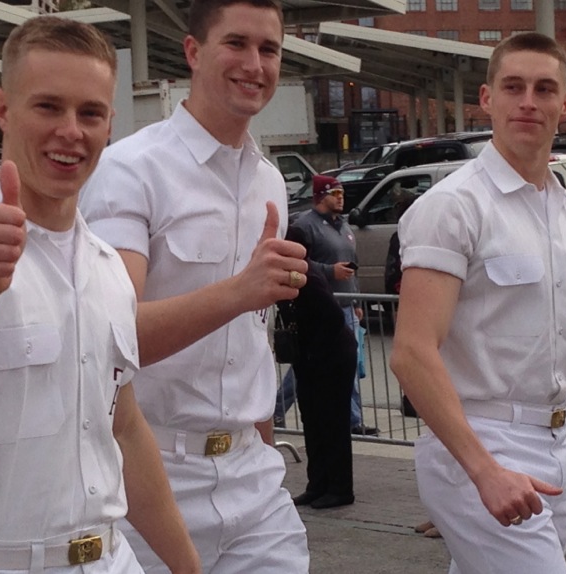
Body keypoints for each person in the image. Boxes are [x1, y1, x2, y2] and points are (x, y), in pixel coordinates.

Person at [0, 17, 199, 574]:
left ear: (109, 124)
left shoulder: (106, 268)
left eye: (90, 113)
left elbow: (120, 426)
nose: (71, 131)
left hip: (113, 559)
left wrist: (187, 568)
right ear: (4, 110)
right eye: (48, 107)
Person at [80, 1, 310, 572]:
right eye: (236, 44)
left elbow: (251, 341)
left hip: (252, 480)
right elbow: (113, 339)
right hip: (151, 475)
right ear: (192, 52)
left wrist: (262, 435)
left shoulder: (269, 181)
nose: (254, 64)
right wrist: (241, 290)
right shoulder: (129, 170)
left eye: (269, 49)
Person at [391, 32, 566, 573]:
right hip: (480, 442)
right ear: (486, 98)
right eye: (513, 86)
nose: (528, 102)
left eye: (544, 89)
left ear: (565, 105)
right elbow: (411, 352)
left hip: (556, 441)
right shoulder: (453, 206)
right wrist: (484, 470)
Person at [293, 174, 379, 436]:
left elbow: (354, 265)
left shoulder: (344, 226)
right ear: (321, 196)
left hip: (346, 306)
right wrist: (330, 271)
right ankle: (278, 405)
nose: (341, 199)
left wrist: (356, 299)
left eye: (342, 194)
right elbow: (301, 264)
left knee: (347, 364)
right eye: (336, 194)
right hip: (322, 308)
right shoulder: (304, 226)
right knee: (311, 367)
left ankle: (353, 421)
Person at [281, 226, 357, 509]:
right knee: (313, 422)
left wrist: (314, 352)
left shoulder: (308, 277)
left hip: (332, 356)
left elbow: (334, 317)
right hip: (310, 358)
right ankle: (317, 484)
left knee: (332, 422)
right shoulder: (292, 276)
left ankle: (340, 488)